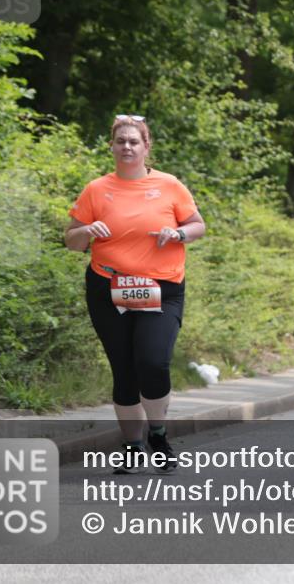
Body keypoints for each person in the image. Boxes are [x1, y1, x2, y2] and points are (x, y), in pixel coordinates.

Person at [65, 115, 206, 474]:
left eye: (134, 141)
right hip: (107, 287)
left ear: (146, 147)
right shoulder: (96, 189)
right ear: (111, 146)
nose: (127, 147)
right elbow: (71, 241)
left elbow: (197, 224)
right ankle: (131, 446)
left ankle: (157, 434)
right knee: (124, 369)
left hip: (162, 287)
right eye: (121, 141)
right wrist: (86, 230)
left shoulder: (169, 185)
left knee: (153, 362)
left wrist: (178, 234)